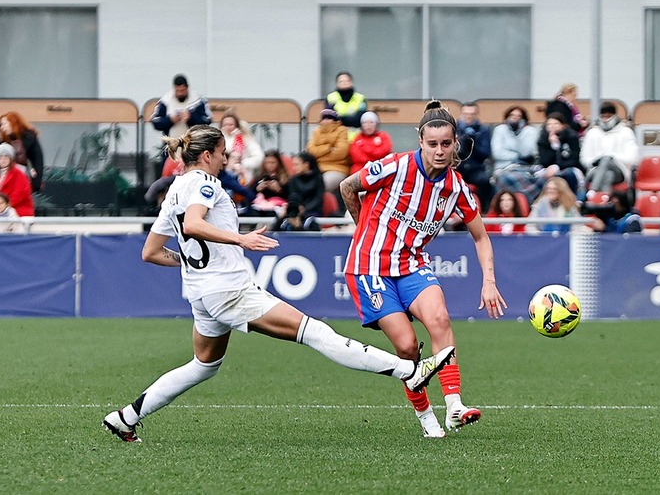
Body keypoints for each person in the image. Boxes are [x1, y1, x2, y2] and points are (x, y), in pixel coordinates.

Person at [102, 124, 455, 444]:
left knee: (203, 365)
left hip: (202, 294)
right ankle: (410, 370)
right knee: (316, 333)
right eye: (223, 153)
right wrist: (240, 240)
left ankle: (126, 417)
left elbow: (151, 251)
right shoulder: (205, 184)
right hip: (229, 291)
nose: (226, 159)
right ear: (207, 155)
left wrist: (194, 262)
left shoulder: (176, 188)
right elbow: (194, 225)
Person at [339, 100, 506, 438]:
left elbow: (482, 237)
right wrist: (363, 232)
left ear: (455, 143)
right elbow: (347, 186)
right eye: (433, 144)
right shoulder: (394, 166)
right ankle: (426, 415)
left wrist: (489, 281)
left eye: (446, 144)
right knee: (407, 348)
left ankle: (455, 406)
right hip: (370, 267)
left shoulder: (456, 187)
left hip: (412, 264)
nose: (440, 151)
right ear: (420, 141)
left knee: (440, 319)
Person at [151, 74, 212, 177]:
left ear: (187, 88)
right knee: (168, 177)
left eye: (182, 91)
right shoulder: (165, 101)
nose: (180, 93)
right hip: (171, 147)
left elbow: (207, 120)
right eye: (178, 91)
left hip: (193, 147)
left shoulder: (198, 101)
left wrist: (191, 117)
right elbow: (156, 122)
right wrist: (170, 120)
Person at [580, 101, 639, 194]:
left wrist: (611, 157)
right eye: (603, 116)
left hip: (620, 170)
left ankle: (593, 191)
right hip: (595, 169)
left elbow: (632, 158)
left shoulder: (626, 132)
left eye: (608, 116)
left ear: (615, 116)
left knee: (607, 158)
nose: (605, 120)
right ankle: (604, 201)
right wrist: (598, 160)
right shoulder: (592, 133)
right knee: (608, 175)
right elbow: (584, 158)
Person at [0, 112, 45, 193]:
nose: (2, 127)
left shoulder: (29, 137)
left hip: (21, 172)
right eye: (0, 125)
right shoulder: (1, 138)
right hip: (2, 172)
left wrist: (37, 181)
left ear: (12, 123)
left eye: (4, 124)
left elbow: (38, 159)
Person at [490, 105, 540, 204]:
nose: (515, 118)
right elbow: (497, 153)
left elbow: (526, 153)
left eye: (518, 116)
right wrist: (517, 156)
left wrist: (519, 133)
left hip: (524, 167)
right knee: (503, 178)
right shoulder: (500, 129)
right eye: (512, 115)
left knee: (538, 177)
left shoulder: (530, 131)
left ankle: (526, 204)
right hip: (504, 167)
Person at [306, 108, 352, 201]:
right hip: (317, 168)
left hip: (337, 168)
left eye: (329, 118)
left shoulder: (342, 130)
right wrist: (328, 148)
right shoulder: (316, 132)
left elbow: (341, 153)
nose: (326, 121)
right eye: (324, 118)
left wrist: (320, 154)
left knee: (323, 185)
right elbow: (311, 151)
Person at [455, 102, 493, 212]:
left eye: (471, 114)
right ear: (461, 114)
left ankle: (483, 211)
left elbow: (485, 154)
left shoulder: (483, 130)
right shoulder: (454, 128)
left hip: (475, 167)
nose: (468, 116)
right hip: (457, 166)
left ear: (476, 114)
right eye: (466, 113)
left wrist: (473, 143)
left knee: (485, 181)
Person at [0, 143, 35, 217]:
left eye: (6, 156)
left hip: (17, 211)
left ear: (11, 159)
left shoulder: (19, 174)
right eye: (0, 157)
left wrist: (2, 207)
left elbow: (18, 196)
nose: (3, 159)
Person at [537, 113, 584, 196]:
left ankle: (576, 199)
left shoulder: (572, 136)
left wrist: (558, 165)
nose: (552, 126)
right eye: (549, 124)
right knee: (541, 176)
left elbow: (574, 159)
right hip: (549, 168)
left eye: (556, 124)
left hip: (569, 167)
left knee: (569, 174)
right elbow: (544, 161)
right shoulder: (543, 139)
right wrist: (552, 146)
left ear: (563, 125)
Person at [279, 151, 324, 231]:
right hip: (295, 211)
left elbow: (318, 199)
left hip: (313, 212)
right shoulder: (293, 180)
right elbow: (292, 197)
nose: (294, 168)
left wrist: (304, 210)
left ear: (306, 164)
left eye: (296, 164)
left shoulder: (318, 179)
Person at [219, 113, 263, 184]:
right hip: (223, 176)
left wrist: (242, 164)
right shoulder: (218, 140)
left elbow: (259, 156)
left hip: (242, 177)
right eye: (225, 125)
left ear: (236, 125)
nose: (228, 127)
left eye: (231, 124)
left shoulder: (246, 139)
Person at [325, 71, 367, 140]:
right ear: (337, 83)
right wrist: (350, 118)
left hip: (357, 140)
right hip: (336, 140)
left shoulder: (360, 98)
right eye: (341, 81)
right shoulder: (330, 98)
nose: (344, 83)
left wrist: (340, 118)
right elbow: (330, 120)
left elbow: (360, 120)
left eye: (346, 81)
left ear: (351, 82)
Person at [248, 150, 290, 217]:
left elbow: (290, 195)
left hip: (277, 206)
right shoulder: (259, 177)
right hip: (260, 205)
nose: (269, 165)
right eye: (267, 163)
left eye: (272, 163)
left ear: (278, 163)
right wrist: (257, 188)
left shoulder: (285, 178)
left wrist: (279, 189)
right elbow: (249, 193)